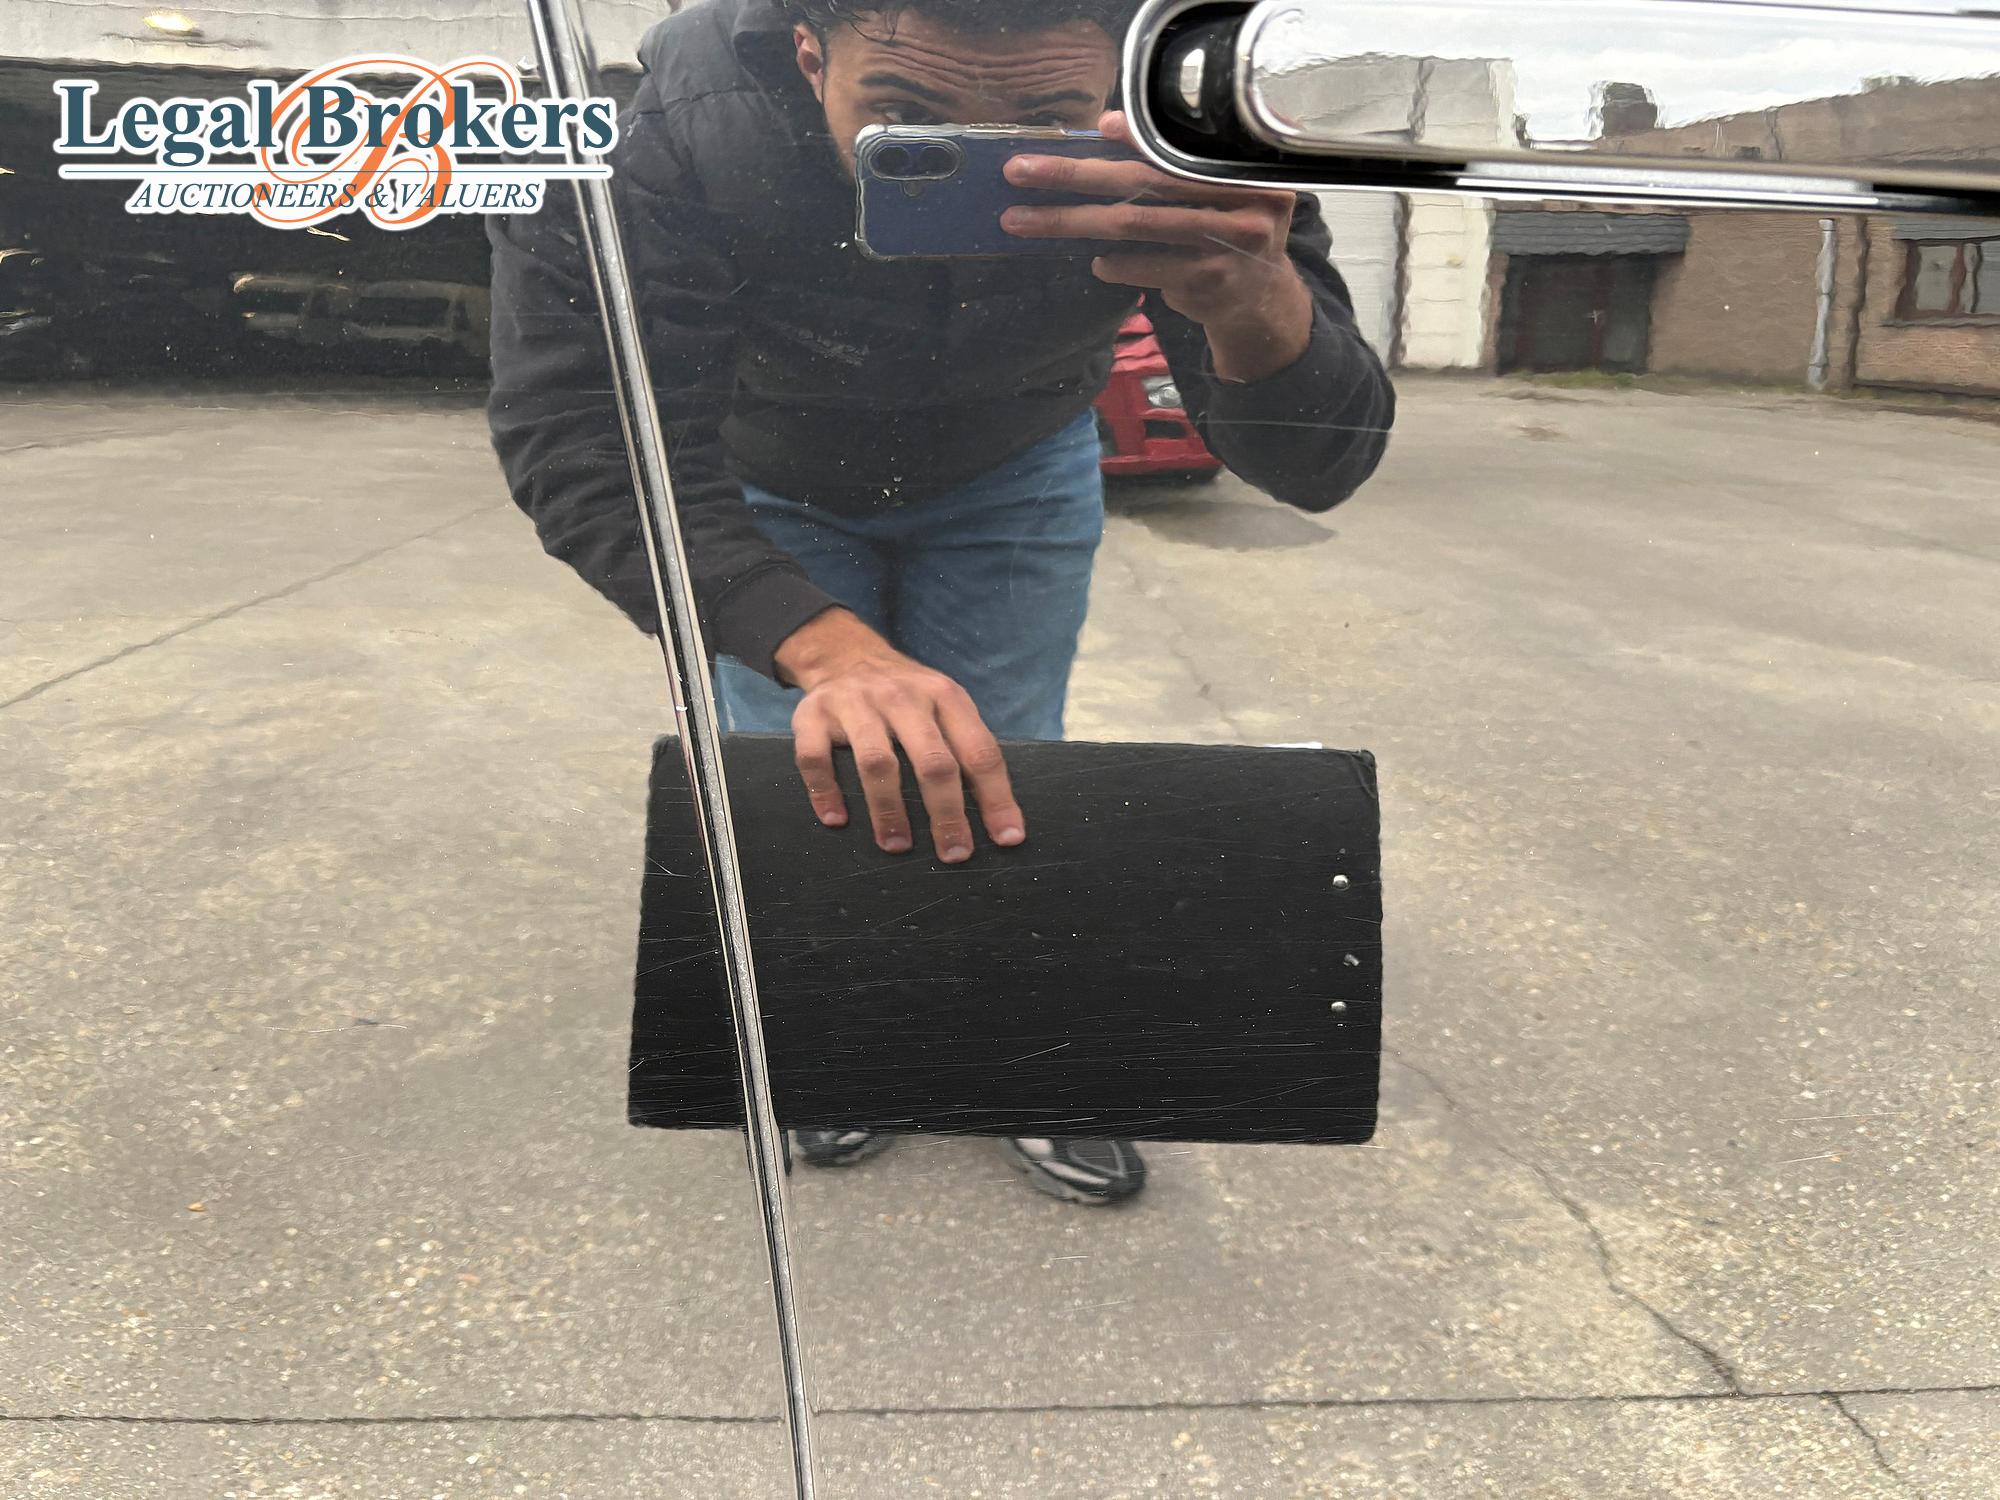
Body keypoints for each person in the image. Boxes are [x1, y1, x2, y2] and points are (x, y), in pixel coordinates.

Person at [486, 0, 1395, 1205]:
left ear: (1123, 76)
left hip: (1014, 456)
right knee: (815, 767)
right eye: (905, 116)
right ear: (807, 52)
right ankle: (842, 1040)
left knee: (1001, 757)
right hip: (767, 477)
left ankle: (1001, 1048)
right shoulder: (669, 127)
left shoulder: (1184, 117)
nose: (984, 157)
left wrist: (1251, 302)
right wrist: (817, 645)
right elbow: (581, 428)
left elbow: (1317, 463)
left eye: (1047, 120)